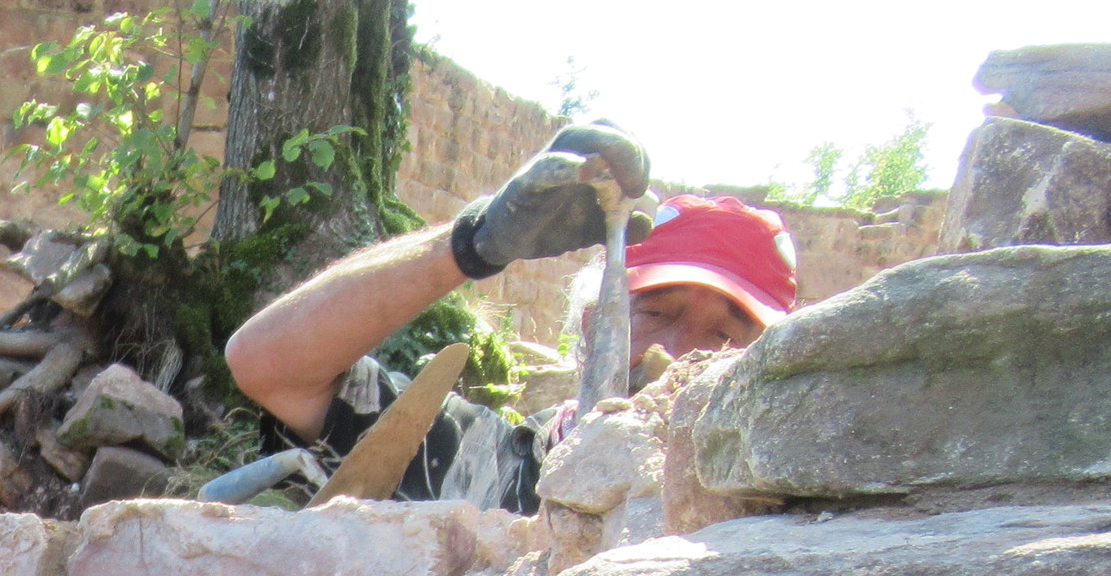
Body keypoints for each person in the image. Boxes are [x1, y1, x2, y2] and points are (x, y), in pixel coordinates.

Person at [223, 125, 802, 513]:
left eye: (726, 337)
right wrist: (471, 246)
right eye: (653, 312)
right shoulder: (474, 465)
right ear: (591, 326)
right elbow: (267, 364)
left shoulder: (788, 513)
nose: (678, 357)